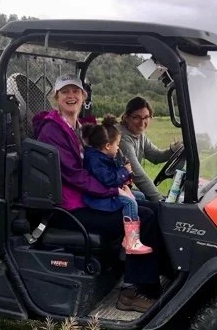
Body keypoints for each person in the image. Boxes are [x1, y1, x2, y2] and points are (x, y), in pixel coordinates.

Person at [33, 75, 162, 313]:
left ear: (83, 96)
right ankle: (132, 291)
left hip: (87, 197)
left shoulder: (80, 127)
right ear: (57, 98)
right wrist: (112, 189)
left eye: (76, 91)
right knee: (145, 217)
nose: (71, 96)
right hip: (70, 206)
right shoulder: (52, 130)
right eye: (65, 92)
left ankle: (149, 281)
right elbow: (73, 174)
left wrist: (119, 181)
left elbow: (99, 160)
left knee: (153, 209)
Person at [82, 115, 152, 255]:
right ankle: (131, 241)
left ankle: (127, 237)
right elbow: (108, 180)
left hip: (108, 192)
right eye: (117, 145)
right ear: (108, 146)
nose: (118, 148)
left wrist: (124, 178)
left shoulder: (103, 157)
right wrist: (124, 172)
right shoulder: (95, 161)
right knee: (131, 203)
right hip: (99, 200)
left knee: (140, 196)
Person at [118, 96, 182, 202]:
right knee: (144, 200)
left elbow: (155, 156)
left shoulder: (139, 135)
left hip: (123, 187)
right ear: (126, 117)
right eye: (137, 117)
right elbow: (137, 174)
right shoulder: (122, 138)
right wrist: (159, 200)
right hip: (113, 190)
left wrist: (173, 150)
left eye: (146, 117)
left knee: (144, 197)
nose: (142, 122)